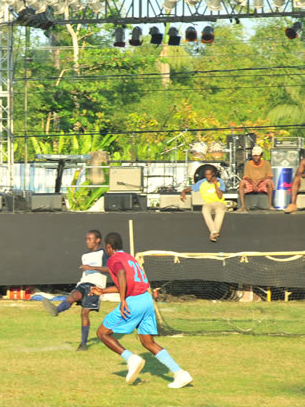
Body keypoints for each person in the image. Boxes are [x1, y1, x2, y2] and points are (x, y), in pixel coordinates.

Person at [91, 232, 193, 389]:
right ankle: (180, 373)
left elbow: (121, 273)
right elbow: (126, 282)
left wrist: (123, 300)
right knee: (148, 342)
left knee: (102, 333)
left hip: (133, 301)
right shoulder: (129, 258)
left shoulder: (114, 259)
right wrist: (103, 291)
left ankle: (131, 359)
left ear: (108, 247)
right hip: (146, 299)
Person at [41, 230, 108, 351]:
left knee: (84, 313)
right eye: (86, 239)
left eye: (90, 239)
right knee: (73, 296)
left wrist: (92, 267)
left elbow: (108, 269)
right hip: (83, 283)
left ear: (98, 240)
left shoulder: (103, 253)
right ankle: (56, 310)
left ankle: (83, 344)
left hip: (95, 286)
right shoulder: (85, 256)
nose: (87, 242)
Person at [180, 166, 227, 242]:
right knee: (205, 210)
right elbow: (192, 188)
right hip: (208, 203)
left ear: (213, 174)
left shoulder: (220, 181)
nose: (207, 176)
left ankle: (214, 233)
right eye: (206, 175)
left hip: (219, 202)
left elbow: (220, 196)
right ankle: (214, 232)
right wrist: (184, 191)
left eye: (209, 174)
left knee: (220, 211)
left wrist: (215, 185)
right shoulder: (202, 182)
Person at [237, 146, 273, 212]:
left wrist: (259, 180)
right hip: (251, 182)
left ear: (261, 155)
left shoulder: (266, 163)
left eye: (257, 156)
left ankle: (270, 205)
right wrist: (253, 183)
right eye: (254, 156)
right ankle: (243, 206)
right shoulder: (248, 164)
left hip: (262, 182)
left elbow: (270, 176)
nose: (255, 157)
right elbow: (246, 176)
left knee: (269, 182)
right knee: (242, 183)